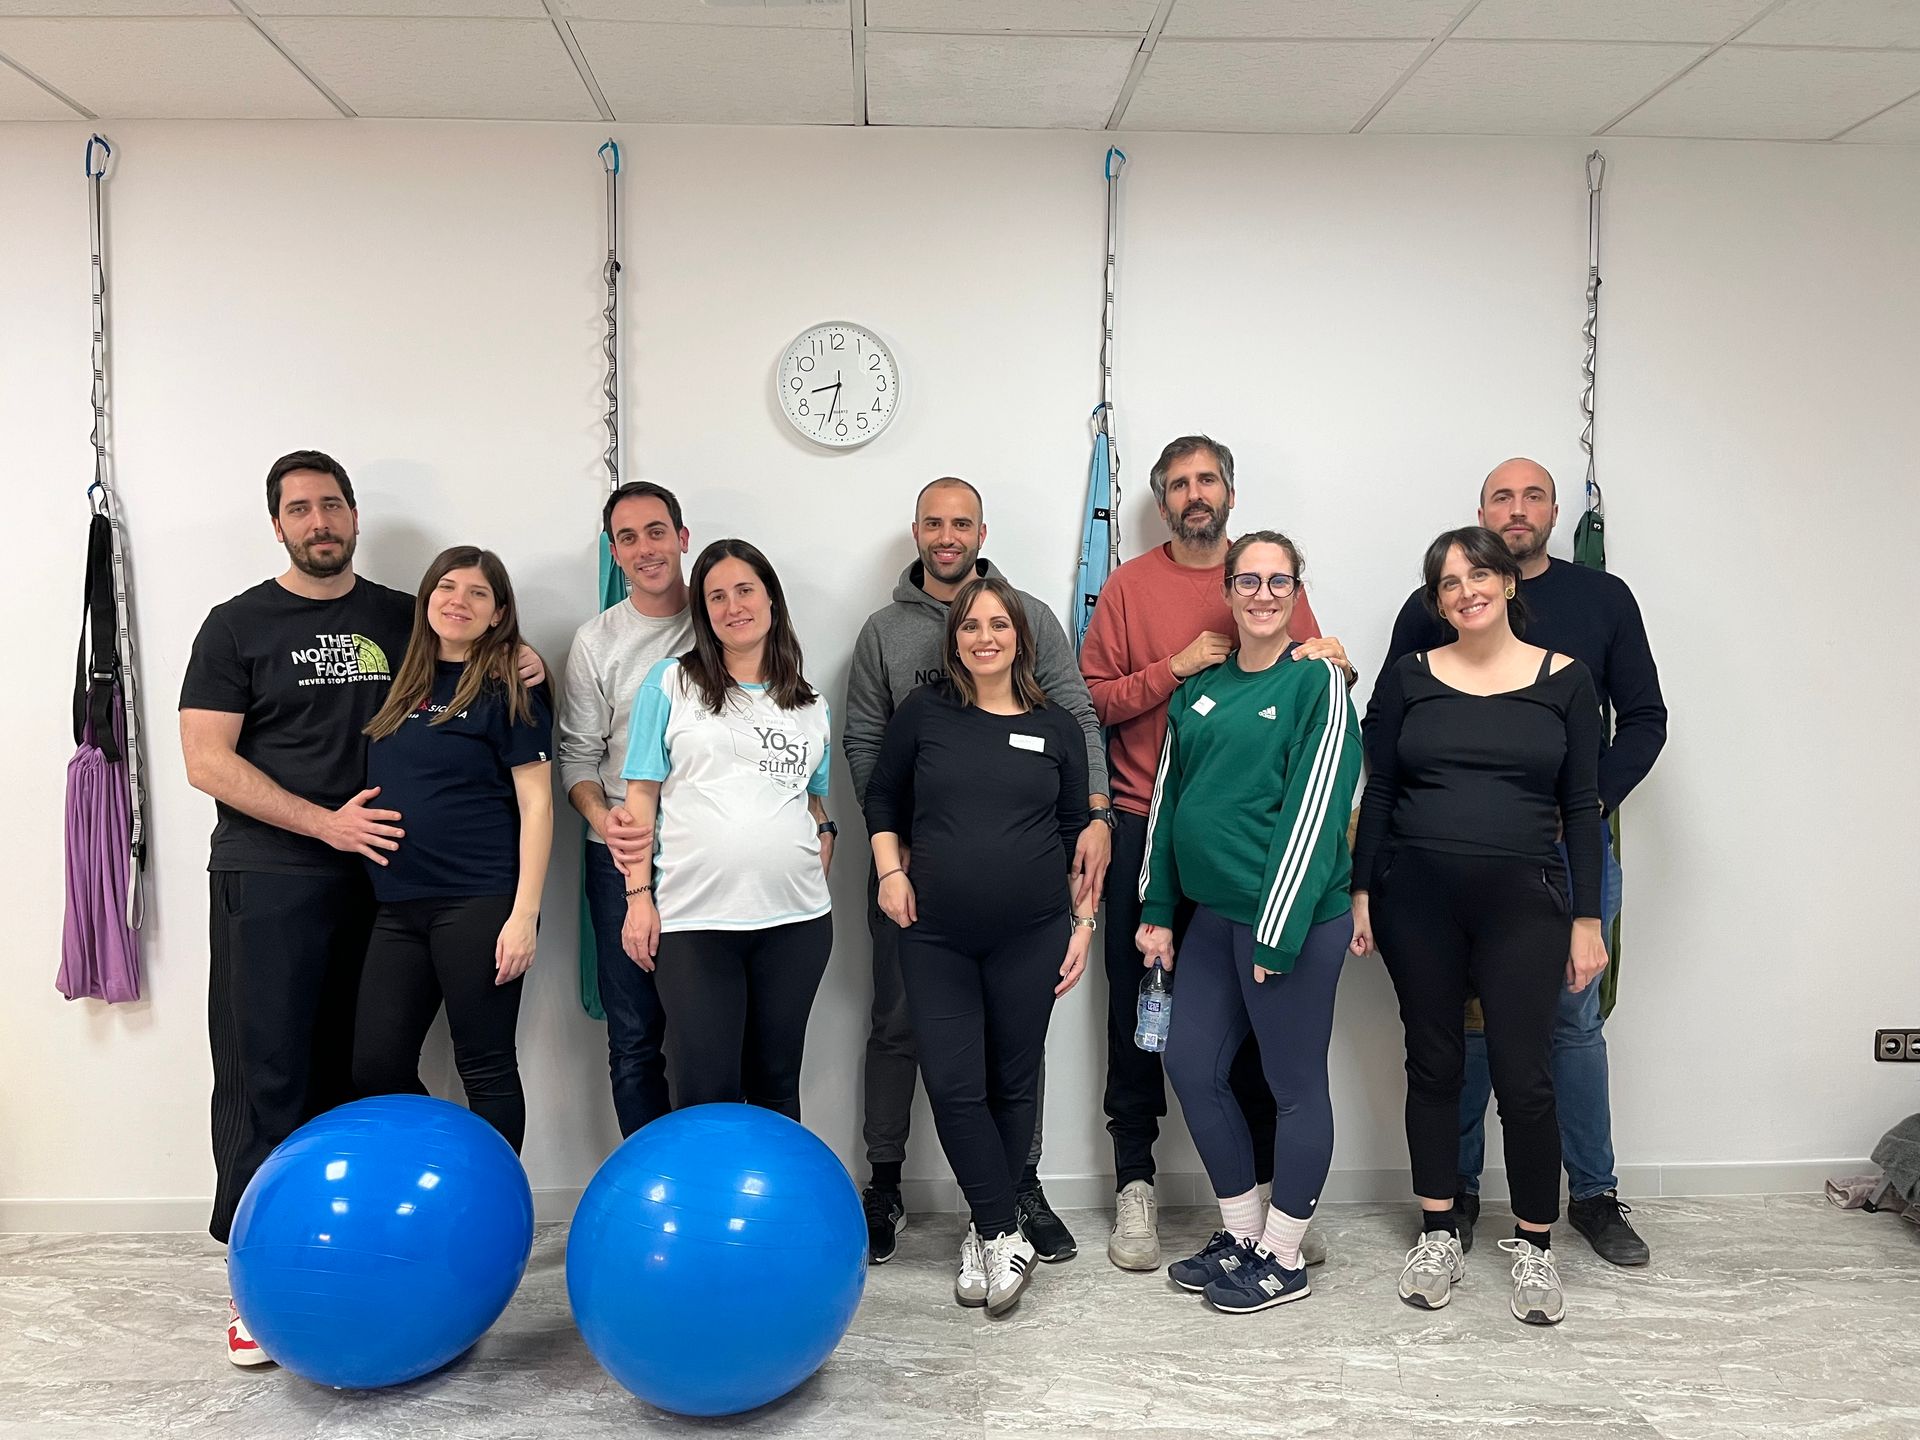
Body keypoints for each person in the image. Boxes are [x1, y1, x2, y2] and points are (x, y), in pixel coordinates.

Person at [180, 450, 543, 1366]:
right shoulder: (235, 625)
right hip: (274, 875)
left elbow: (478, 647)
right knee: (268, 1075)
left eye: (331, 504)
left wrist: (522, 655)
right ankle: (255, 1285)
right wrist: (323, 824)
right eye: (299, 508)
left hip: (382, 888)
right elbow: (205, 761)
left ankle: (365, 1254)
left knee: (357, 1076)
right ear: (277, 524)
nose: (319, 521)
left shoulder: (397, 615)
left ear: (353, 514)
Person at [1372, 457, 1666, 1265]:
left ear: (1553, 512)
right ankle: (1456, 1196)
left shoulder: (1603, 599)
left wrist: (1585, 803)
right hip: (1445, 868)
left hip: (1566, 852)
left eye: (1533, 495)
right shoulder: (1433, 608)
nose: (1518, 508)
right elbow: (1388, 726)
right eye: (1501, 496)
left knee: (1569, 1026)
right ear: (1482, 514)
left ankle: (1593, 1197)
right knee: (1456, 1034)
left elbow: (1644, 718)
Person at [1079, 434, 1349, 1271]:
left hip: (1265, 864)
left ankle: (1276, 1213)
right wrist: (1173, 669)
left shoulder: (1270, 590)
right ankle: (1139, 1187)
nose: (1194, 493)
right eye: (1179, 483)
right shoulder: (1128, 588)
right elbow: (1089, 702)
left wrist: (1339, 663)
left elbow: (1317, 694)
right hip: (1149, 834)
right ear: (1162, 500)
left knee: (1271, 1047)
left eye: (1207, 480)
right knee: (1152, 1029)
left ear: (1229, 493)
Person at [843, 476, 1112, 1265]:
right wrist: (897, 852)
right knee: (898, 1026)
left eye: (961, 523)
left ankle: (1014, 1188)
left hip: (1023, 890)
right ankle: (885, 1181)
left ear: (981, 533)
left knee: (1015, 1045)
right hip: (912, 876)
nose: (947, 535)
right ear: (917, 531)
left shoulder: (1031, 616)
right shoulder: (884, 631)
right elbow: (867, 746)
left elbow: (1075, 717)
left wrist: (1096, 813)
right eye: (934, 522)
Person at [1351, 525, 1608, 1328]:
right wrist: (1362, 892)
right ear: (1437, 602)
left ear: (1508, 583)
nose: (1467, 591)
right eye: (1450, 583)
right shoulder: (1410, 676)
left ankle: (1535, 1245)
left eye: (1480, 575)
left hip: (1525, 904)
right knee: (1433, 1065)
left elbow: (1582, 808)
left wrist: (1588, 919)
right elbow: (1381, 789)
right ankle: (1437, 1233)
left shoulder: (1567, 680)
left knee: (1524, 1075)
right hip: (1415, 901)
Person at [1136, 532, 1362, 1314]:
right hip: (1212, 919)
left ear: (1297, 591)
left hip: (1290, 922)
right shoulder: (1202, 686)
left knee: (1293, 1088)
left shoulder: (1317, 681)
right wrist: (1158, 910)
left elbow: (1318, 808)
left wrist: (1278, 929)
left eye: (1279, 581)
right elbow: (1169, 802)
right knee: (1191, 1066)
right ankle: (1242, 1234)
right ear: (1228, 590)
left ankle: (1285, 1256)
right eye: (1249, 581)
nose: (1263, 594)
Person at [613, 539, 835, 1120]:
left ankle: (774, 1187)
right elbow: (640, 801)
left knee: (777, 1087)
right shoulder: (670, 683)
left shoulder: (810, 704)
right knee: (706, 1093)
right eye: (716, 596)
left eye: (744, 590)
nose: (733, 606)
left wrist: (824, 840)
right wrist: (638, 898)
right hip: (695, 922)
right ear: (703, 611)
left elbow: (814, 803)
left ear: (771, 599)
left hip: (797, 923)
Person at [351, 547, 553, 1152]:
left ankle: (493, 1201)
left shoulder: (509, 687)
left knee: (485, 1067)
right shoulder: (399, 682)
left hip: (479, 902)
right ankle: (440, 1173)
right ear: (427, 599)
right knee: (375, 1066)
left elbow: (538, 806)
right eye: (446, 587)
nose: (458, 600)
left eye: (477, 592)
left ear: (499, 613)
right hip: (398, 905)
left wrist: (524, 916)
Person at [557, 481, 694, 1137]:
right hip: (621, 859)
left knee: (714, 1031)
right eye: (629, 538)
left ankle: (714, 1176)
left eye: (657, 531)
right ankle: (650, 1179)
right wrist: (600, 818)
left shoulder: (726, 621)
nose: (646, 549)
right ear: (613, 552)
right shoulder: (595, 641)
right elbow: (577, 756)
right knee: (636, 1035)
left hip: (709, 858)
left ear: (682, 538)